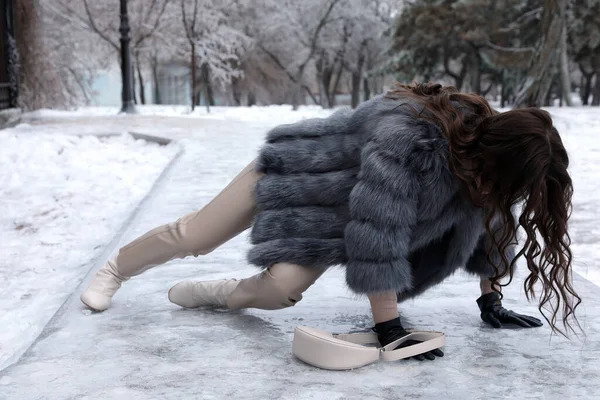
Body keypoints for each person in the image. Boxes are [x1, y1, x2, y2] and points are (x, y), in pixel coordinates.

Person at [81, 82, 580, 361]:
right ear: (498, 154)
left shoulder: (483, 176)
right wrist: (388, 329)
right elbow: (377, 232)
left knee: (279, 291)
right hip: (301, 174)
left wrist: (490, 297)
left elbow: (494, 225)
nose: (508, 195)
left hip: (331, 223)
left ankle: (214, 293)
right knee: (197, 234)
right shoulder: (413, 140)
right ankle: (115, 269)